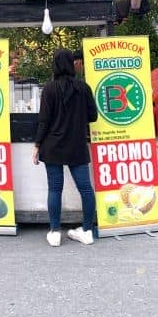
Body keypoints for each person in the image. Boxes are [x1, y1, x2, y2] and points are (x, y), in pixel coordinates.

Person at [32, 49, 98, 247]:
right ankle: (86, 231)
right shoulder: (83, 88)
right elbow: (93, 117)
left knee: (55, 189)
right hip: (76, 146)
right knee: (86, 189)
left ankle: (54, 233)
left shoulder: (49, 89)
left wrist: (37, 145)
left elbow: (44, 121)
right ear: (72, 64)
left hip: (52, 146)